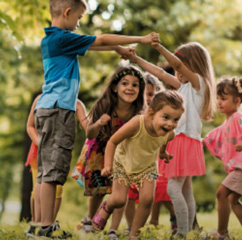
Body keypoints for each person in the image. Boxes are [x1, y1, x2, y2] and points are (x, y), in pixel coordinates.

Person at [35, 0, 159, 237]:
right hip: (59, 109)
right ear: (68, 12)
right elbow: (100, 39)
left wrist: (116, 50)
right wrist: (141, 39)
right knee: (53, 173)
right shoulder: (62, 38)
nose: (79, 23)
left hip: (45, 109)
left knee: (44, 172)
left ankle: (40, 224)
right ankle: (47, 226)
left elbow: (96, 44)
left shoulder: (50, 39)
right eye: (79, 18)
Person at [127, 41, 215, 238]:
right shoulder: (183, 87)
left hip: (185, 141)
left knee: (173, 188)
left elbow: (177, 66)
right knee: (186, 190)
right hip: (179, 141)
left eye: (181, 66)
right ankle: (190, 230)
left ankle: (182, 232)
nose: (177, 72)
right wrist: (136, 59)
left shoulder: (198, 83)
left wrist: (159, 47)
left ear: (193, 64)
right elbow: (161, 74)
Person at [91, 90, 185, 239]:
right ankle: (106, 206)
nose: (170, 124)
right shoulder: (137, 123)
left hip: (147, 167)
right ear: (151, 113)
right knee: (119, 199)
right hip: (123, 163)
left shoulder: (169, 133)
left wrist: (162, 153)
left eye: (175, 119)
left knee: (147, 199)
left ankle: (134, 234)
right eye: (166, 117)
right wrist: (108, 165)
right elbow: (112, 141)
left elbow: (164, 141)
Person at [72, 65, 146, 238]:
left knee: (120, 191)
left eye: (135, 85)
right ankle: (89, 219)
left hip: (123, 153)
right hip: (99, 150)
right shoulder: (105, 104)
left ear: (140, 89)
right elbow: (89, 133)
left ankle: (113, 229)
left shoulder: (139, 111)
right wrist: (98, 123)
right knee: (99, 189)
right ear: (115, 87)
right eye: (125, 83)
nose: (130, 88)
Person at [203, 76, 242, 240]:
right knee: (232, 200)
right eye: (217, 98)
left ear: (237, 100)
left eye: (223, 98)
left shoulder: (238, 117)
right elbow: (209, 139)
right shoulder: (226, 124)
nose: (219, 102)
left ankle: (222, 233)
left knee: (221, 194)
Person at [25, 94, 88, 238]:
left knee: (57, 189)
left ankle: (48, 225)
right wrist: (41, 144)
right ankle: (35, 225)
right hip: (39, 153)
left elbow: (87, 125)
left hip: (59, 153)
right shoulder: (40, 99)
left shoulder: (76, 104)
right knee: (38, 188)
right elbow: (30, 126)